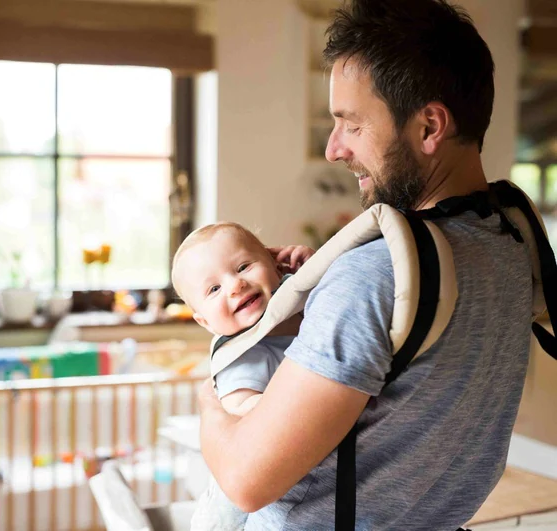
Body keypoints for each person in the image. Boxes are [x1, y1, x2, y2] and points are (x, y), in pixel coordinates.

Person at [197, 0, 534, 529]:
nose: (333, 149)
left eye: (350, 125)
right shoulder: (513, 247)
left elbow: (245, 480)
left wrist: (212, 389)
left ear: (429, 127)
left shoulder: (375, 275)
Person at [171, 222, 312, 530]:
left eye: (244, 266)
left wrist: (313, 265)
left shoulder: (301, 298)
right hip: (235, 497)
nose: (235, 285)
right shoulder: (242, 354)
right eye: (213, 289)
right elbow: (240, 408)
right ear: (204, 321)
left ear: (276, 265)